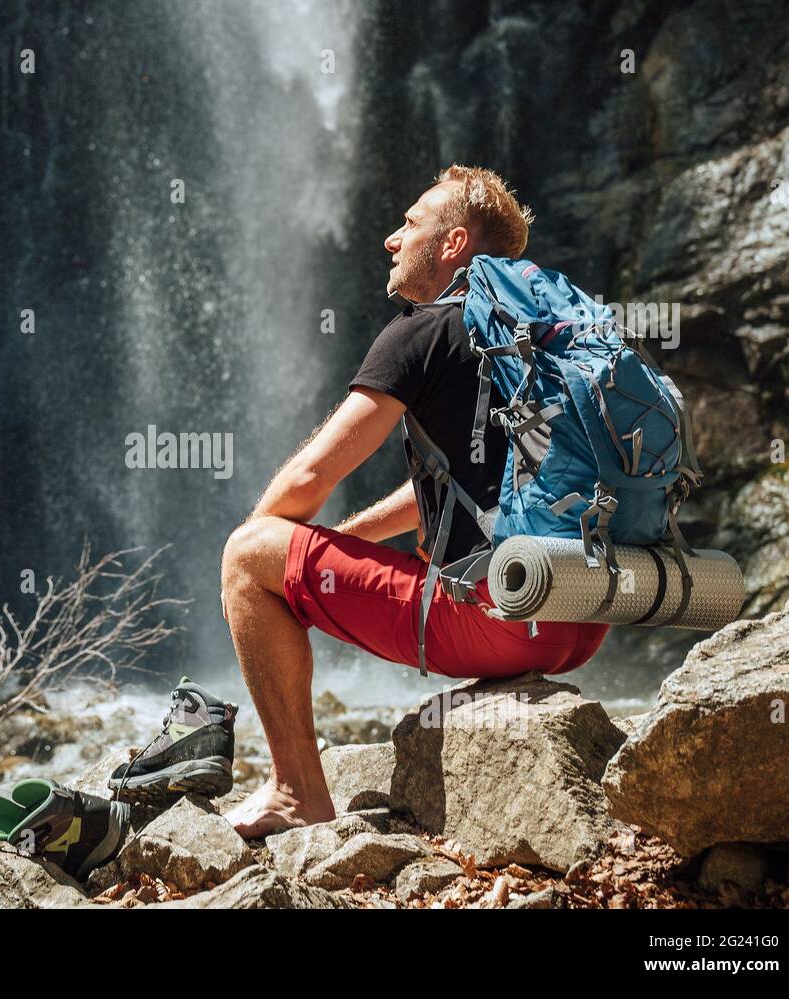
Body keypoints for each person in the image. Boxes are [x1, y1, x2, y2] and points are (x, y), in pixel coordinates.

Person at [219, 165, 610, 839]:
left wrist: (268, 556)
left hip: (500, 619)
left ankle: (296, 791)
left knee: (246, 556)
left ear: (454, 243)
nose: (391, 240)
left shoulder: (423, 332)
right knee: (277, 555)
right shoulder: (542, 334)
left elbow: (310, 476)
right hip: (580, 616)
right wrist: (345, 542)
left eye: (410, 224)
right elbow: (471, 480)